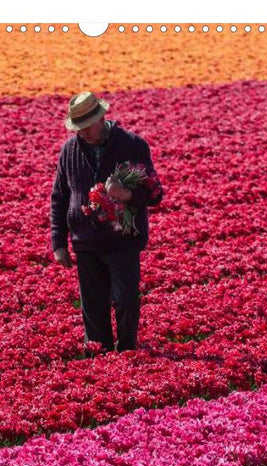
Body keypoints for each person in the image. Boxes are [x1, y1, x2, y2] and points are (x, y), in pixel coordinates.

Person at [50, 91, 163, 353]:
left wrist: (126, 195)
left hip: (122, 240)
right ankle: (101, 367)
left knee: (125, 301)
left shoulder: (132, 145)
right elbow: (60, 197)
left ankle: (127, 354)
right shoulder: (70, 150)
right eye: (78, 128)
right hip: (85, 242)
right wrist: (58, 242)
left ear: (101, 118)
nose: (82, 133)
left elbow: (156, 194)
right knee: (93, 310)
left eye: (86, 127)